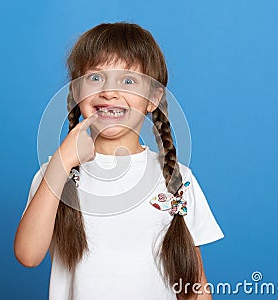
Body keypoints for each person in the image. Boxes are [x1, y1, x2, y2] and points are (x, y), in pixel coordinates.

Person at [14, 22, 224, 300]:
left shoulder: (178, 179)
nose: (109, 92)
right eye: (96, 78)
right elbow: (28, 255)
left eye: (127, 81)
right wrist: (61, 163)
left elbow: (195, 285)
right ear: (77, 93)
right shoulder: (55, 173)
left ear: (153, 98)